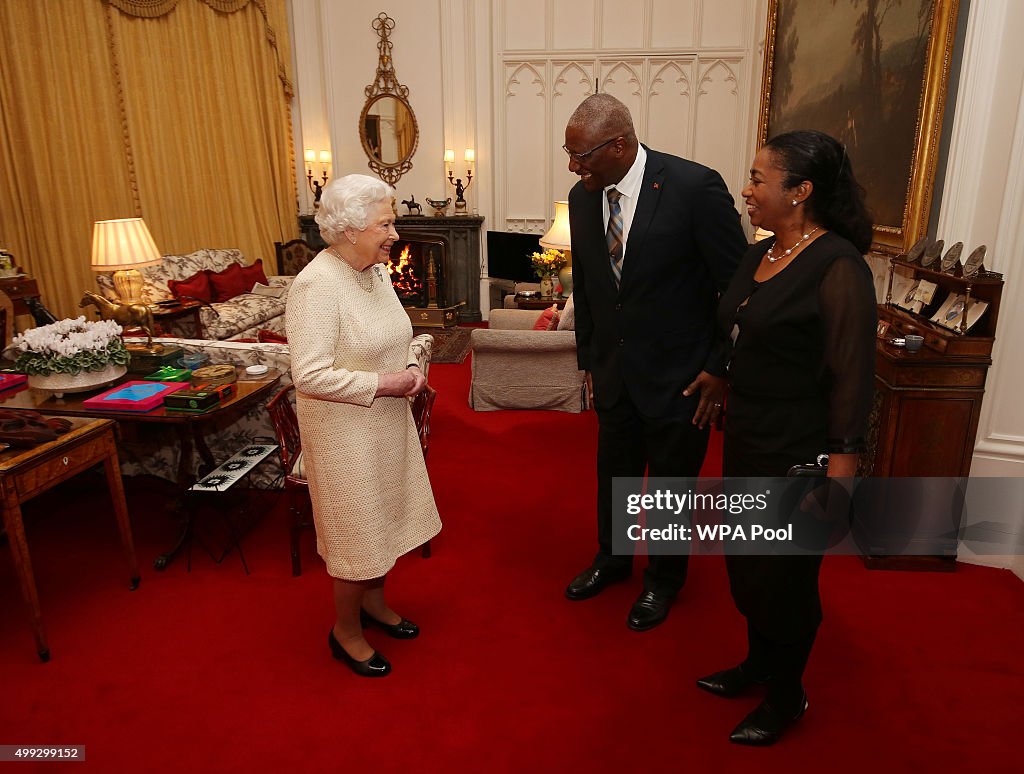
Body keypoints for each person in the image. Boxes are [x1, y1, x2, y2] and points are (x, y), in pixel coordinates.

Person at [697, 130, 876, 744]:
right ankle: (758, 663)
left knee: (785, 578)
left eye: (757, 180)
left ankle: (787, 693)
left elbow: (853, 377)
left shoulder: (839, 266)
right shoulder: (761, 252)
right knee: (747, 568)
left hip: (801, 450)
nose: (746, 191)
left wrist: (843, 478)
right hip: (748, 437)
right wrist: (719, 374)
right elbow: (738, 327)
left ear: (800, 191)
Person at [562, 93, 747, 631]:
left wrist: (719, 367)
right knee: (613, 475)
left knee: (670, 486)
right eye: (569, 154)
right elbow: (595, 289)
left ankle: (663, 581)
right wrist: (589, 363)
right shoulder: (582, 198)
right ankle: (613, 561)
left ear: (619, 145)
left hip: (682, 376)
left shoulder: (694, 188)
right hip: (615, 372)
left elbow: (733, 289)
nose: (574, 167)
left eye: (583, 155)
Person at [286, 174, 441, 678]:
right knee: (357, 534)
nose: (395, 232)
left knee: (385, 522)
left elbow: (396, 335)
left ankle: (375, 606)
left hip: (384, 424)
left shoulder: (374, 272)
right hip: (343, 436)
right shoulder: (316, 285)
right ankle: (345, 632)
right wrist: (384, 383)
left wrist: (413, 365)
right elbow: (308, 375)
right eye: (386, 223)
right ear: (350, 230)